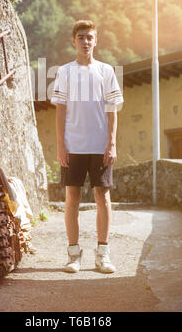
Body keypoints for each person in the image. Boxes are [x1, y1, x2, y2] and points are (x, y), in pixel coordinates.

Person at [50, 20, 124, 273]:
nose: (85, 42)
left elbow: (112, 110)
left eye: (90, 37)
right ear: (74, 41)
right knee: (72, 198)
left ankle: (103, 255)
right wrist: (61, 146)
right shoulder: (65, 72)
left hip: (100, 146)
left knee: (103, 197)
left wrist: (111, 143)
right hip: (73, 146)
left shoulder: (106, 71)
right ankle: (74, 255)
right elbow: (60, 111)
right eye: (81, 37)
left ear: (96, 41)